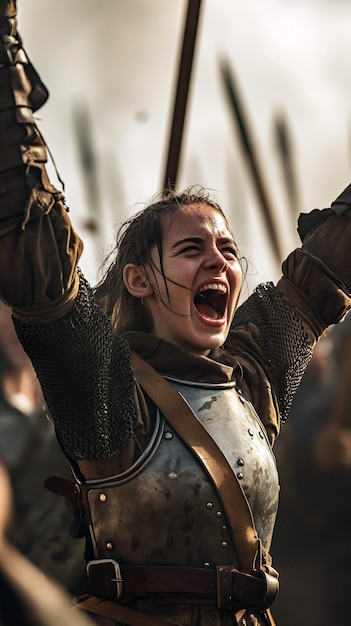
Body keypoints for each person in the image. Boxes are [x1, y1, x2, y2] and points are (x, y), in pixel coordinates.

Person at [1, 2, 351, 625]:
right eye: (191, 250)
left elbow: (324, 271)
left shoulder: (252, 379)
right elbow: (42, 261)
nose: (218, 262)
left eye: (228, 250)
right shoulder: (105, 389)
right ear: (138, 279)